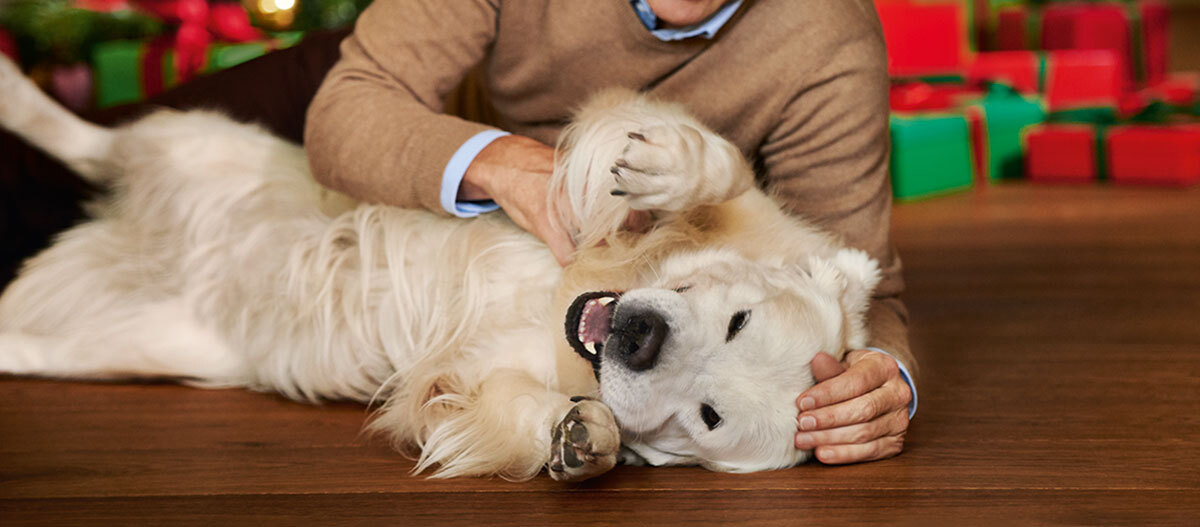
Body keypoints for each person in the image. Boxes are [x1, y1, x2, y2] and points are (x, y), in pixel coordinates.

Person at [0, 0, 916, 465]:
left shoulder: (827, 36)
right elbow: (350, 117)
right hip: (388, 124)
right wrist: (502, 165)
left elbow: (850, 263)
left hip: (574, 255)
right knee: (42, 177)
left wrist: (887, 385)